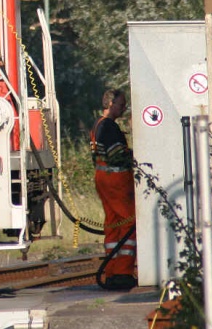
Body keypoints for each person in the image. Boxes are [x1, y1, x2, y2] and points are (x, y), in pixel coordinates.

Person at [91, 88, 137, 290]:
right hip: (116, 179)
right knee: (129, 222)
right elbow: (117, 155)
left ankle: (111, 271)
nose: (124, 108)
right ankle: (123, 272)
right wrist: (138, 155)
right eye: (121, 104)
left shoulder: (98, 125)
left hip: (104, 179)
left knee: (113, 223)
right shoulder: (109, 127)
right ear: (110, 104)